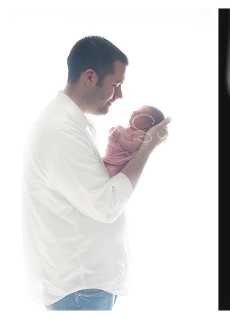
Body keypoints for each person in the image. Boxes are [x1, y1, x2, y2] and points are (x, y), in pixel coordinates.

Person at [22, 36, 171, 310]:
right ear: (89, 77)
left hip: (87, 286)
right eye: (115, 85)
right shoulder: (61, 132)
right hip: (81, 290)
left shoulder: (70, 125)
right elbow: (106, 205)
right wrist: (146, 149)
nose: (120, 96)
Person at [103, 105, 166, 177]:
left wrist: (119, 139)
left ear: (146, 127)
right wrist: (113, 131)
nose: (134, 113)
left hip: (118, 163)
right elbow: (120, 134)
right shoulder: (127, 128)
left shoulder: (139, 133)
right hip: (109, 157)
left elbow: (132, 147)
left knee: (107, 172)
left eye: (139, 115)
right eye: (136, 111)